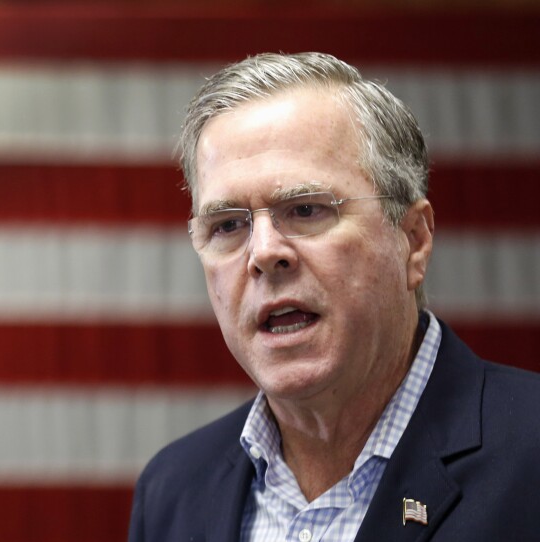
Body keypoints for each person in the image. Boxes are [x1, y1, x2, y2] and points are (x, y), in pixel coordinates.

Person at [127, 52, 540, 541]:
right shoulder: (172, 491)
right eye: (229, 225)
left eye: (305, 210)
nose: (264, 253)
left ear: (413, 241)